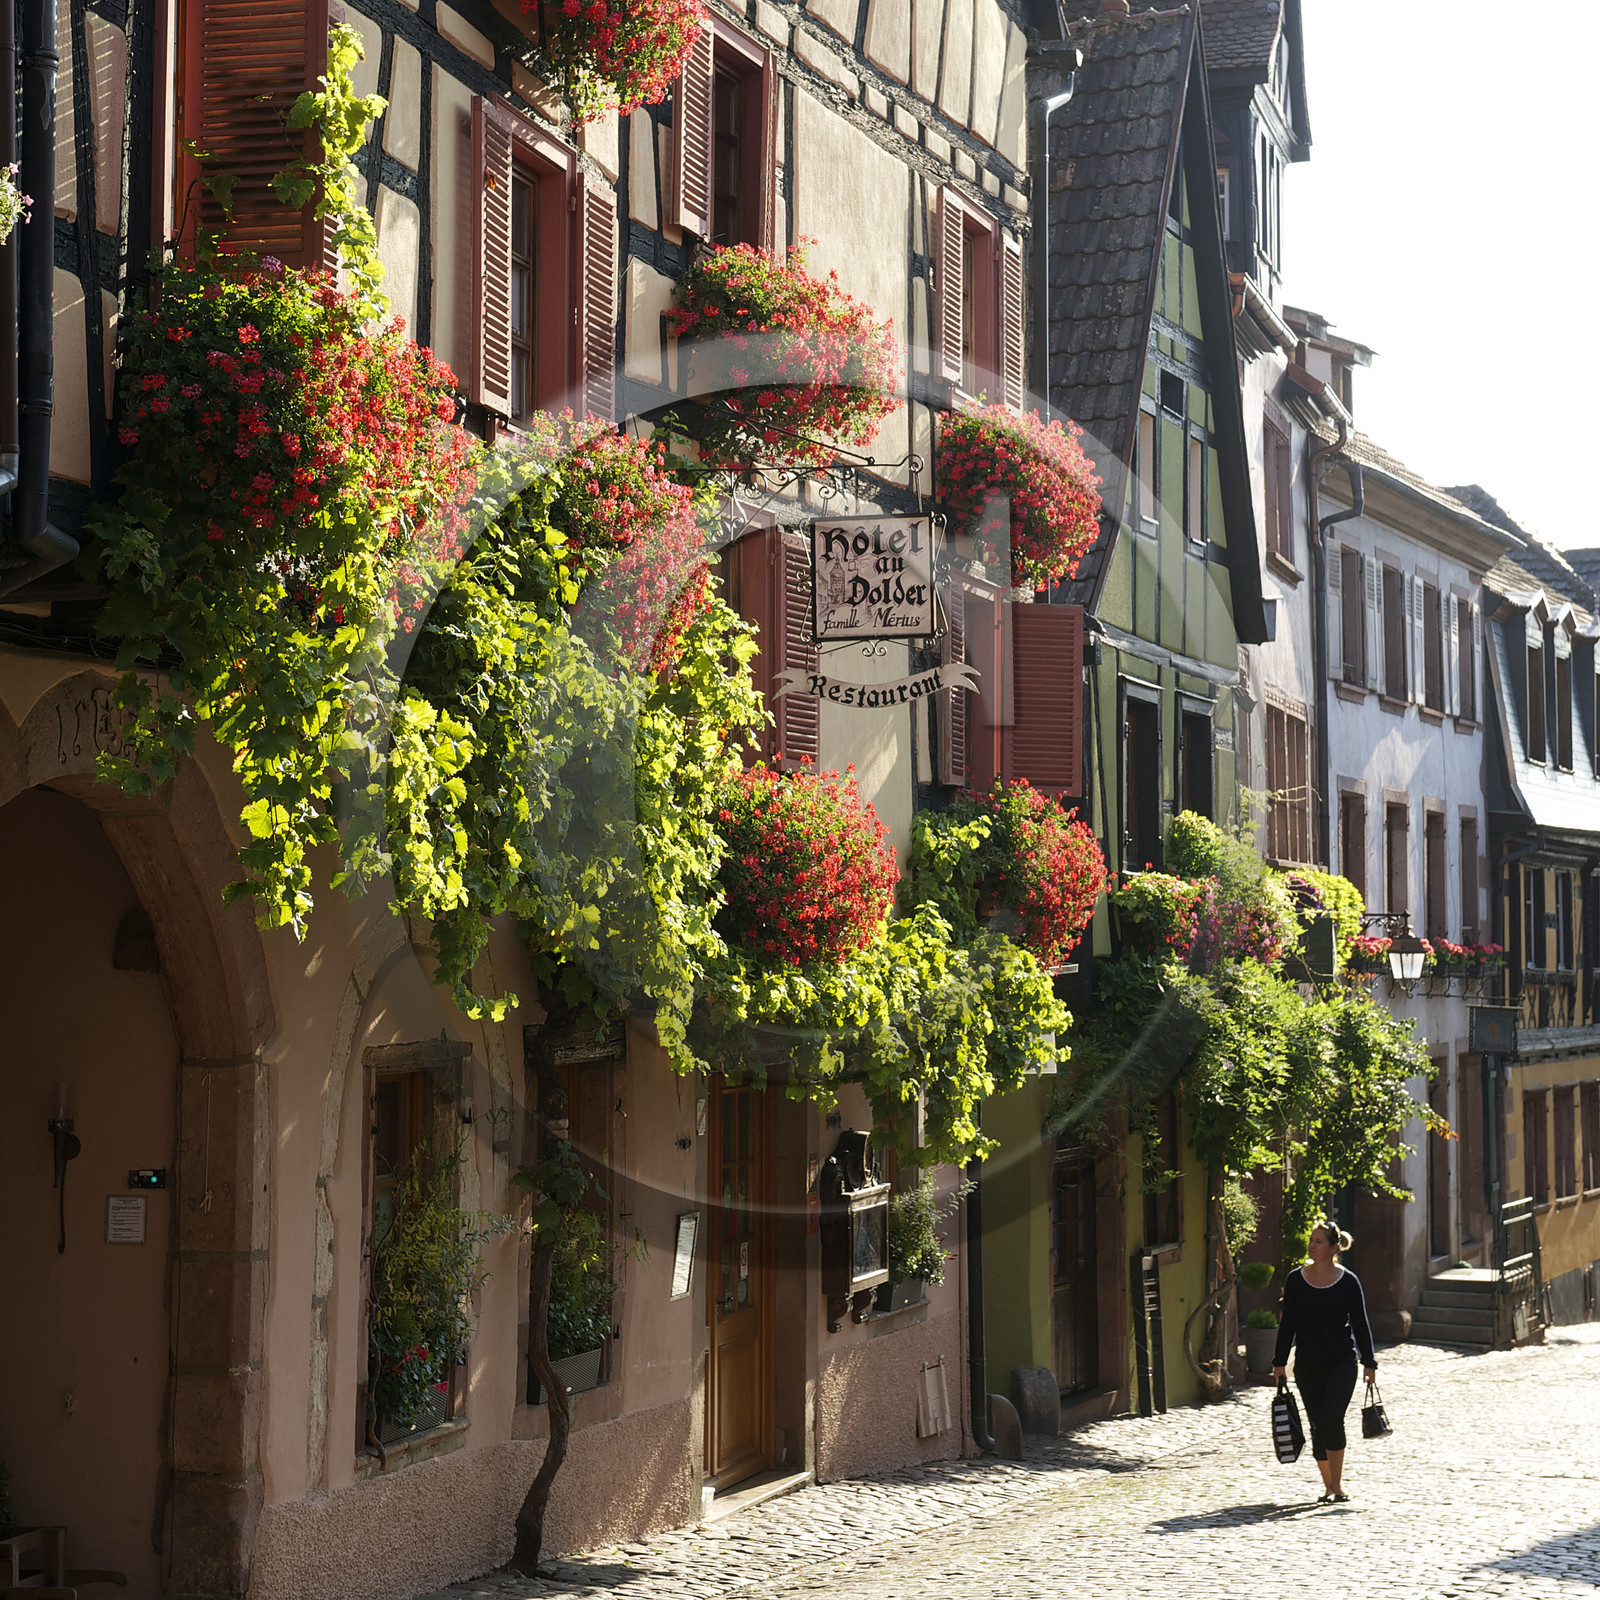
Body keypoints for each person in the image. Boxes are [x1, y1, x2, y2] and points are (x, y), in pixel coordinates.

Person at [1271, 1219, 1378, 1504]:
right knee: (1317, 1422)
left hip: (1342, 1361)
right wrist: (1279, 1362)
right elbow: (1288, 1324)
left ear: (1333, 1248)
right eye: (1311, 1240)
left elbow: (1360, 1323)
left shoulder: (1348, 1281)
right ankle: (1328, 1486)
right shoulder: (1296, 1279)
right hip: (1307, 1363)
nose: (1312, 1245)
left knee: (1333, 1418)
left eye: (1319, 1241)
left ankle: (1338, 1484)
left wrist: (1369, 1363)